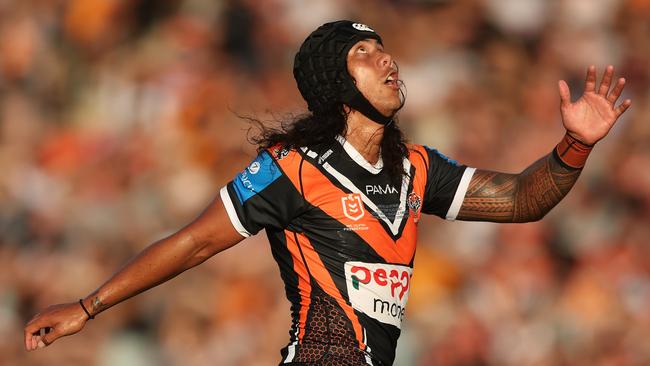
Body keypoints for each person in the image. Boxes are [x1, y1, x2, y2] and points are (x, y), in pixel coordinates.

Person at [24, 20, 631, 366]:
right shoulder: (290, 169)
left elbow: (523, 199)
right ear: (336, 82)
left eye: (384, 47)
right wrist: (88, 307)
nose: (387, 58)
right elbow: (191, 244)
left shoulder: (419, 167)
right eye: (364, 53)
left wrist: (575, 145)